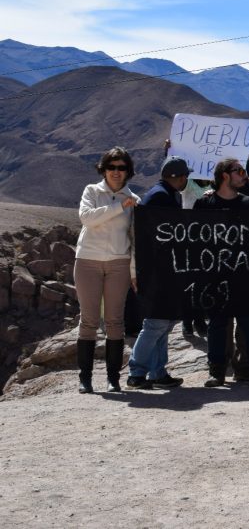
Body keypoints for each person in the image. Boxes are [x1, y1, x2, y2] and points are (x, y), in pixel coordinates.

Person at [194, 158, 249, 386]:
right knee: (218, 324)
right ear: (224, 175)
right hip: (215, 275)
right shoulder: (204, 205)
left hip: (245, 275)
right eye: (239, 171)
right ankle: (217, 371)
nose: (244, 175)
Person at [75, 147, 140, 393]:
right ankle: (85, 379)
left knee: (115, 321)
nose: (116, 172)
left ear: (128, 172)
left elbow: (135, 240)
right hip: (88, 261)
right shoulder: (91, 191)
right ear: (103, 169)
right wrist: (119, 207)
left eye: (121, 168)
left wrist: (133, 272)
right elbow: (87, 218)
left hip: (118, 263)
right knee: (89, 320)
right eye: (111, 167)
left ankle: (113, 379)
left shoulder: (134, 201)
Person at [126, 156, 190, 390]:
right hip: (157, 272)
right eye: (185, 176)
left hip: (163, 270)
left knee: (164, 322)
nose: (187, 180)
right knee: (155, 324)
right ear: (178, 177)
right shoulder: (160, 197)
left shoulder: (163, 194)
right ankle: (137, 372)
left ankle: (157, 371)